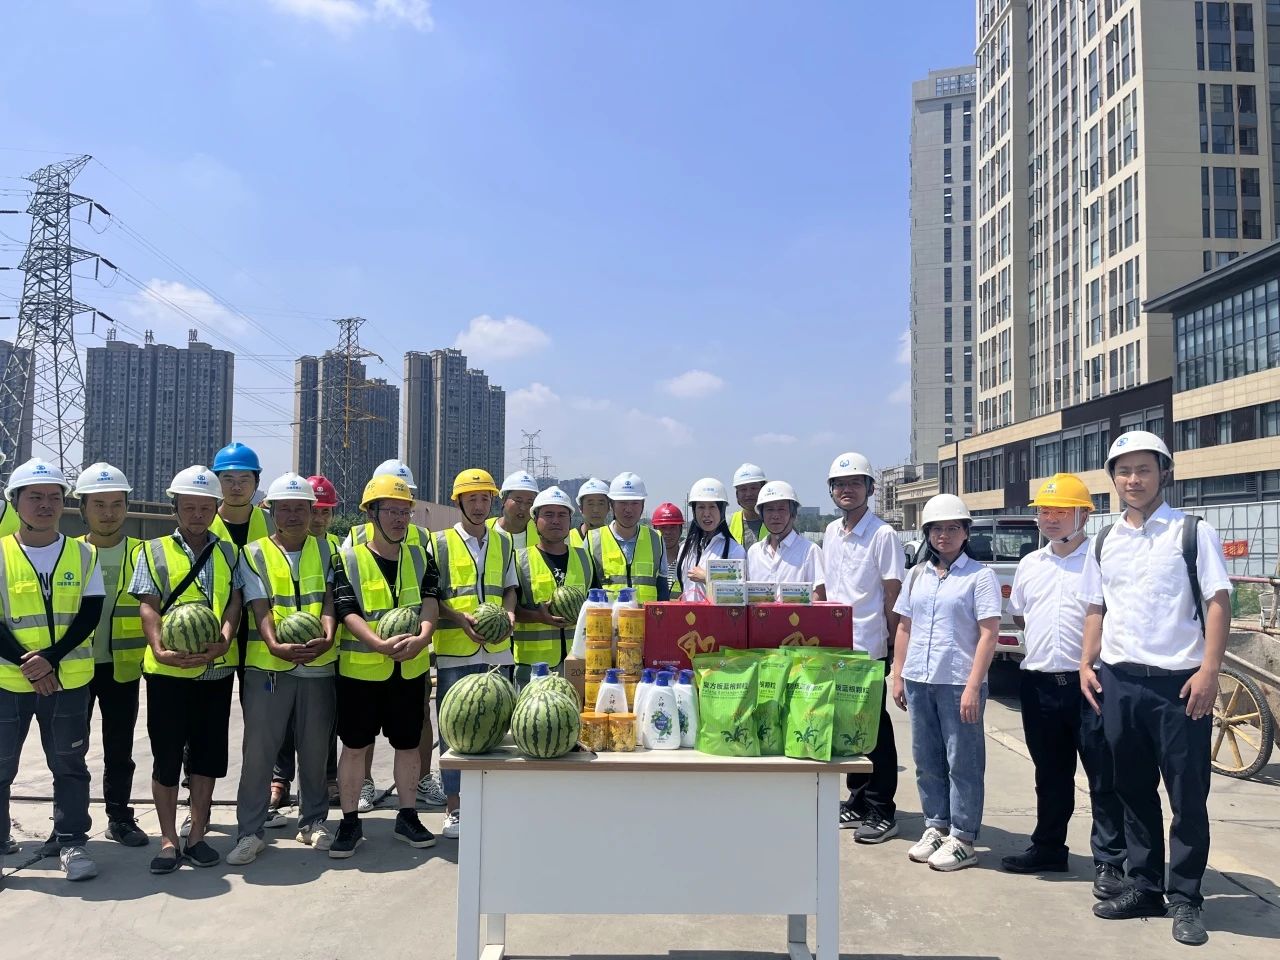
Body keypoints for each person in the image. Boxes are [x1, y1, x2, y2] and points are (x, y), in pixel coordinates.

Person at [1080, 431, 1231, 946]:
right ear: (1112, 479)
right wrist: (1086, 663)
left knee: (1187, 796)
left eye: (1144, 469)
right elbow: (1096, 606)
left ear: (1164, 472)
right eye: (1123, 471)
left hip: (1179, 687)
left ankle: (1186, 897)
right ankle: (1144, 887)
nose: (1133, 480)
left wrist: (1209, 671)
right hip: (1120, 682)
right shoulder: (1105, 539)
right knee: (1132, 790)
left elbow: (1218, 601)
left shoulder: (1192, 532)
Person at [1000, 473, 1127, 899]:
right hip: (1038, 684)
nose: (1050, 519)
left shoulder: (1100, 560)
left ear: (1083, 515)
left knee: (1103, 776)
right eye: (1044, 511)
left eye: (1060, 511)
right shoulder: (1030, 564)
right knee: (1050, 774)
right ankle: (1049, 847)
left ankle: (1110, 861)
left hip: (1090, 685)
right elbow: (1020, 615)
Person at [131, 465, 243, 874]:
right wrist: (159, 647)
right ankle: (167, 840)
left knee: (206, 758)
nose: (198, 514)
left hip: (215, 670)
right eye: (189, 507)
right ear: (175, 507)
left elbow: (234, 602)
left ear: (216, 508)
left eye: (205, 507)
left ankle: (196, 835)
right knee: (166, 758)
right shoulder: (153, 550)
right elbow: (148, 605)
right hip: (168, 673)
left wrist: (226, 638)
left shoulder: (229, 552)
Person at [0, 459, 104, 881]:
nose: (45, 504)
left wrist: (52, 659)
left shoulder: (84, 553)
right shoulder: (1, 552)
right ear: (15, 502)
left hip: (68, 680)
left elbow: (89, 613)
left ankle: (71, 841)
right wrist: (30, 666)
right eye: (35, 497)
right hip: (8, 681)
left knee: (69, 764)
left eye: (54, 497)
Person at [227, 473, 339, 866]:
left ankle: (313, 822)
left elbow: (330, 599)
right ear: (271, 511)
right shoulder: (253, 553)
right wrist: (274, 644)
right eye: (285, 508)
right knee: (259, 753)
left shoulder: (329, 549)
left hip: (319, 663)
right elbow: (258, 605)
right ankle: (249, 832)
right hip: (268, 666)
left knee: (315, 749)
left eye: (300, 508)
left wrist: (328, 634)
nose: (293, 515)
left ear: (312, 511)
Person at [329, 475, 439, 858]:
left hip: (409, 670)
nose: (399, 519)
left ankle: (407, 816)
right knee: (354, 747)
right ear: (371, 513)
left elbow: (430, 601)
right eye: (391, 510)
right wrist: (376, 644)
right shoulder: (347, 558)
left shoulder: (420, 556)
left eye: (405, 511)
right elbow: (346, 609)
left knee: (408, 746)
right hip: (360, 672)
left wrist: (423, 637)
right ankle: (349, 822)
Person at [891, 493, 1000, 872]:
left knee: (962, 763)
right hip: (919, 679)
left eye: (953, 528)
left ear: (966, 532)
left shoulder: (980, 577)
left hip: (957, 682)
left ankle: (963, 837)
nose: (944, 535)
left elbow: (989, 634)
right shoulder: (917, 575)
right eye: (937, 528)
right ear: (927, 533)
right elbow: (904, 627)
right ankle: (936, 826)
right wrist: (898, 674)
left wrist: (973, 686)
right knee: (926, 760)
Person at [821, 452, 904, 843]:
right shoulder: (831, 532)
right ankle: (856, 799)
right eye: (840, 484)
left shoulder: (882, 535)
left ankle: (882, 808)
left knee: (874, 727)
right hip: (837, 648)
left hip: (868, 646)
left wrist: (894, 646)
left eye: (855, 483)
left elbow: (892, 593)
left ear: (870, 488)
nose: (847, 490)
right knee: (848, 726)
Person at [433, 469, 518, 840]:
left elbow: (510, 588)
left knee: (498, 728)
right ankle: (455, 807)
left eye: (485, 498)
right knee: (455, 732)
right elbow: (432, 596)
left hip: (498, 651)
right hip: (456, 650)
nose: (480, 505)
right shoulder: (439, 543)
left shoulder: (503, 542)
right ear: (459, 502)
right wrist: (458, 618)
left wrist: (509, 614)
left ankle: (491, 804)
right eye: (472, 498)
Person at [75, 463, 149, 848]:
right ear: (82, 507)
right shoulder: (69, 552)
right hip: (75, 669)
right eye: (99, 504)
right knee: (70, 751)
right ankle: (68, 820)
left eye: (116, 504)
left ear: (126, 507)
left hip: (123, 669)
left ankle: (119, 817)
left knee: (119, 750)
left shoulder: (144, 554)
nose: (108, 513)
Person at [513, 486, 594, 687]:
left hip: (578, 662)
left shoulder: (585, 558)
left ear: (570, 520)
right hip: (533, 667)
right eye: (548, 515)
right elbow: (510, 610)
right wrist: (537, 616)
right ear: (535, 520)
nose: (556, 521)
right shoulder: (519, 559)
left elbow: (596, 605)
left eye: (562, 515)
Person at [587, 472, 671, 603]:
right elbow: (586, 589)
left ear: (643, 505)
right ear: (612, 505)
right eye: (623, 503)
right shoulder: (593, 540)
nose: (628, 509)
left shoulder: (656, 539)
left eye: (635, 503)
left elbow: (662, 589)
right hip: (607, 616)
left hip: (645, 616)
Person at [744, 481, 825, 598]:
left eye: (781, 509)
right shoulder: (754, 552)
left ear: (793, 514)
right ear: (761, 515)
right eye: (769, 510)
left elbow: (819, 594)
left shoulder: (810, 550)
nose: (775, 515)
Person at [675, 479, 745, 602]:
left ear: (722, 510)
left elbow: (739, 596)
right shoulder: (685, 548)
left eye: (712, 507)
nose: (706, 513)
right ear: (694, 511)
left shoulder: (734, 550)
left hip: (717, 614)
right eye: (701, 507)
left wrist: (707, 578)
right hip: (688, 613)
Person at [345, 460, 431, 549]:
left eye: (408, 495)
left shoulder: (423, 536)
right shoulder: (358, 536)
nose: (403, 500)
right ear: (372, 508)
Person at [489, 471, 540, 551]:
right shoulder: (483, 529)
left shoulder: (541, 534)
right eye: (518, 501)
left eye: (529, 502)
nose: (523, 508)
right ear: (504, 499)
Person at [728, 463, 767, 548]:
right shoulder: (728, 523)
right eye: (743, 489)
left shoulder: (778, 521)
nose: (748, 494)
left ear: (763, 489)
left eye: (753, 488)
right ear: (737, 494)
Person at [650, 502, 685, 594]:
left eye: (672, 527)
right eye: (663, 527)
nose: (667, 532)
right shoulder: (648, 560)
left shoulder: (688, 561)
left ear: (680, 529)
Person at [571, 477, 611, 550]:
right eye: (590, 504)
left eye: (601, 504)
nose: (596, 510)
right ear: (580, 508)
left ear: (609, 508)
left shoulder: (616, 539)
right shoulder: (567, 539)